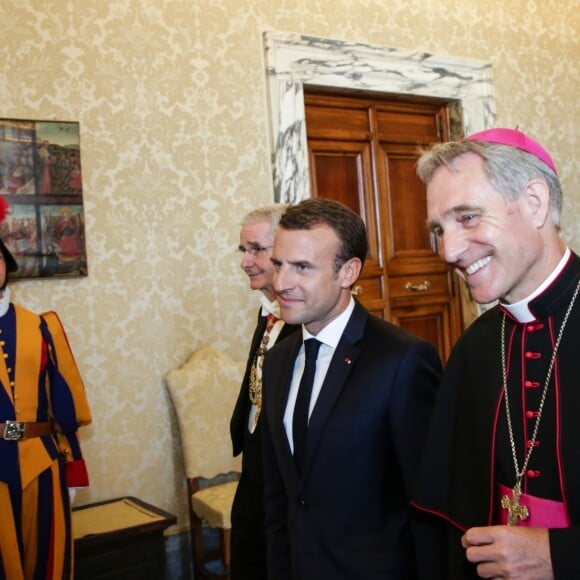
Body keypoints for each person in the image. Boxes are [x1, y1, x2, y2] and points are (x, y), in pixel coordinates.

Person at [413, 127, 579, 579]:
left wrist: (561, 556)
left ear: (534, 203)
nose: (448, 251)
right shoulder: (475, 346)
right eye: (438, 230)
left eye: (467, 218)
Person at [261, 198, 443, 579]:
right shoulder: (278, 361)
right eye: (278, 264)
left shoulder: (402, 360)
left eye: (302, 268)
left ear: (348, 272)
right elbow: (280, 497)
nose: (280, 283)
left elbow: (430, 506)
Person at [0, 194, 92, 579]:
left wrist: (74, 471)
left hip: (41, 464)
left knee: (49, 567)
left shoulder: (41, 327)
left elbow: (65, 410)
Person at [229, 204, 299, 580]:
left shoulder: (307, 318)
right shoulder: (267, 310)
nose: (246, 262)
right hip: (255, 466)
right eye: (243, 251)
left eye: (256, 249)